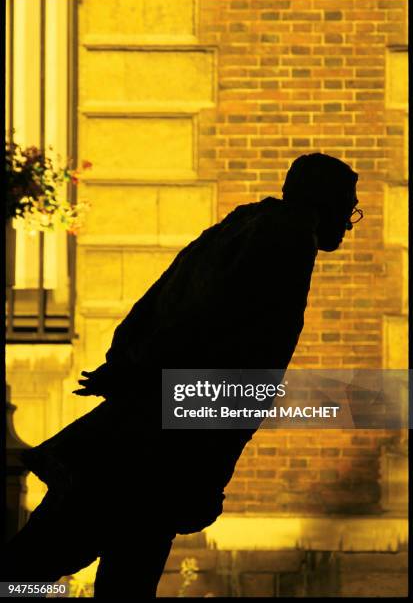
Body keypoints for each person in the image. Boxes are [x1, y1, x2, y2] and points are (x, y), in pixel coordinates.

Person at [2, 153, 360, 598]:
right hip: (164, 440)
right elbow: (208, 313)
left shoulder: (241, 224)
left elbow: (164, 297)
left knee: (106, 559)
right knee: (41, 565)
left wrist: (127, 364)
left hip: (161, 427)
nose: (348, 223)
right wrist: (139, 369)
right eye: (349, 207)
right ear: (324, 199)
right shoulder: (286, 237)